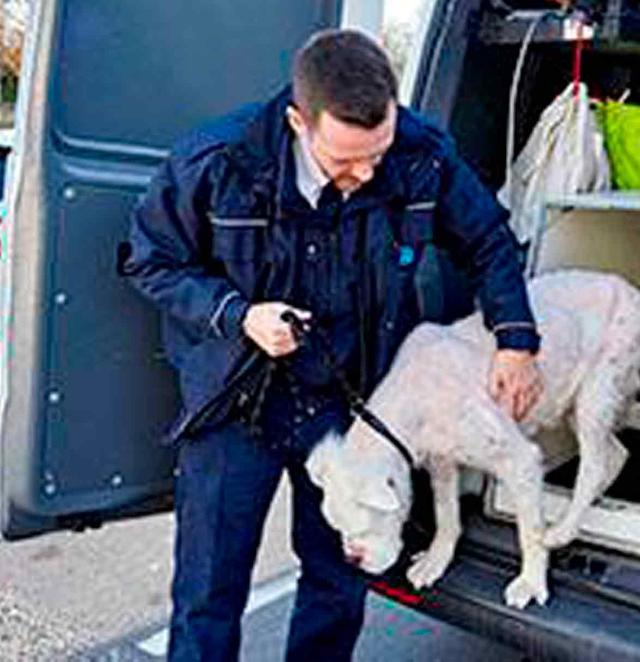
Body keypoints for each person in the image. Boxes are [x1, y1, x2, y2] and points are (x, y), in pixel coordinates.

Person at [122, 28, 543, 662]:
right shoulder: (217, 161)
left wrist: (516, 339)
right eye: (346, 160)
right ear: (299, 121)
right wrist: (238, 314)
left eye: (378, 151)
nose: (367, 173)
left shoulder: (421, 154)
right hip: (238, 401)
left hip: (351, 405)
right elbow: (150, 261)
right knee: (209, 593)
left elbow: (488, 240)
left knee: (339, 582)